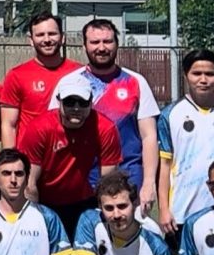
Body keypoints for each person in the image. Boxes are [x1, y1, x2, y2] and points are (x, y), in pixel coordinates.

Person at [155, 49, 214, 237]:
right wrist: (164, 209)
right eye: (196, 73)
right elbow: (164, 166)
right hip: (180, 211)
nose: (203, 80)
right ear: (186, 75)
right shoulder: (170, 115)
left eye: (209, 74)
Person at [67, 19, 160, 194]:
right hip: (82, 178)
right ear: (84, 46)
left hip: (128, 176)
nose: (101, 48)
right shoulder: (69, 83)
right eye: (95, 42)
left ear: (117, 44)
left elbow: (149, 136)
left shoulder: (136, 82)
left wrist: (149, 183)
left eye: (107, 41)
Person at [16, 76, 122, 225]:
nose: (76, 108)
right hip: (45, 201)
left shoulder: (105, 128)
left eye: (83, 102)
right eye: (70, 102)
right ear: (59, 101)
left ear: (91, 102)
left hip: (84, 202)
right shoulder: (39, 128)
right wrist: (33, 220)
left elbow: (108, 182)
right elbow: (29, 183)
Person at [0, 12, 78, 146]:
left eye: (52, 34)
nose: (47, 39)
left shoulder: (78, 73)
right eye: (40, 35)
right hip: (30, 157)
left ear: (62, 37)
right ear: (31, 40)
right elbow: (8, 124)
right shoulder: (17, 75)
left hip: (69, 158)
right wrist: (9, 159)